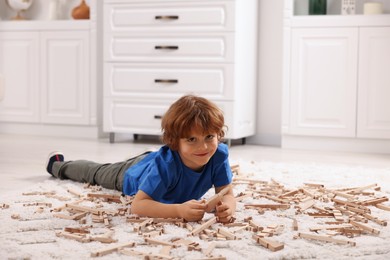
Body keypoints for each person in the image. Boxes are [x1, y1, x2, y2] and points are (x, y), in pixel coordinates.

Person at [46, 95, 236, 223]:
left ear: (218, 135)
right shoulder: (166, 166)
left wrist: (227, 208)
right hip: (132, 173)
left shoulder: (218, 154)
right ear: (175, 142)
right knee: (96, 173)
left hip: (153, 161)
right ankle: (57, 165)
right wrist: (179, 211)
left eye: (209, 137)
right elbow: (138, 206)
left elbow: (226, 192)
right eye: (192, 139)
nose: (203, 147)